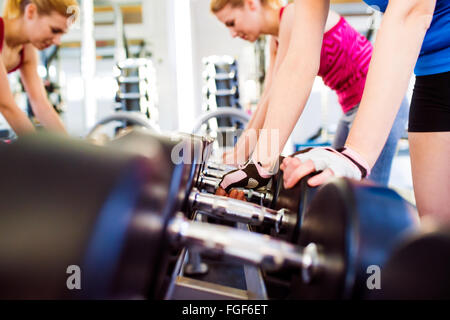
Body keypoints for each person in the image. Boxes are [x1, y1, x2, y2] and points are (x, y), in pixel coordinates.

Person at [220, 0, 450, 223]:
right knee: (437, 230)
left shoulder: (287, 16)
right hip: (430, 74)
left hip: (380, 97)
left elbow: (412, 11)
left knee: (364, 210)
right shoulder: (278, 34)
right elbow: (298, 63)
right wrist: (259, 164)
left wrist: (356, 155)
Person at [212, 0, 408, 189]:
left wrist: (246, 156)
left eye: (231, 22)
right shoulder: (276, 39)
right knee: (333, 188)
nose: (232, 33)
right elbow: (268, 97)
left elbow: (275, 94)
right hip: (350, 108)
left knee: (364, 195)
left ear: (251, 3)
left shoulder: (291, 15)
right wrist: (240, 153)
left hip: (381, 104)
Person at [0, 0, 78, 136]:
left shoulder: (26, 49)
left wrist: (69, 147)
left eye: (61, 34)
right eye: (54, 30)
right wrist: (39, 151)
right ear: (31, 12)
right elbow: (6, 105)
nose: (57, 41)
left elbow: (41, 104)